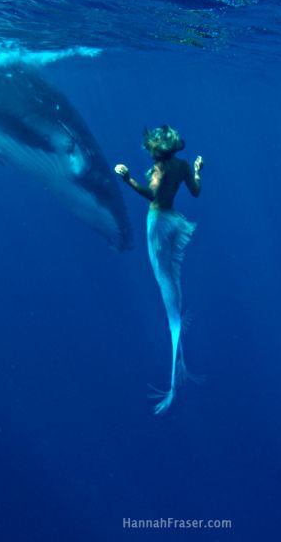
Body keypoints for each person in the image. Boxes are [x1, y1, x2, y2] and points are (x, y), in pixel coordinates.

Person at [114, 125, 203, 414]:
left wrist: (127, 179)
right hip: (173, 219)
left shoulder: (161, 170)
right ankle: (177, 334)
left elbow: (151, 195)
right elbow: (196, 191)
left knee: (164, 277)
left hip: (157, 222)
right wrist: (198, 170)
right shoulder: (182, 166)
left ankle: (175, 333)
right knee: (171, 276)